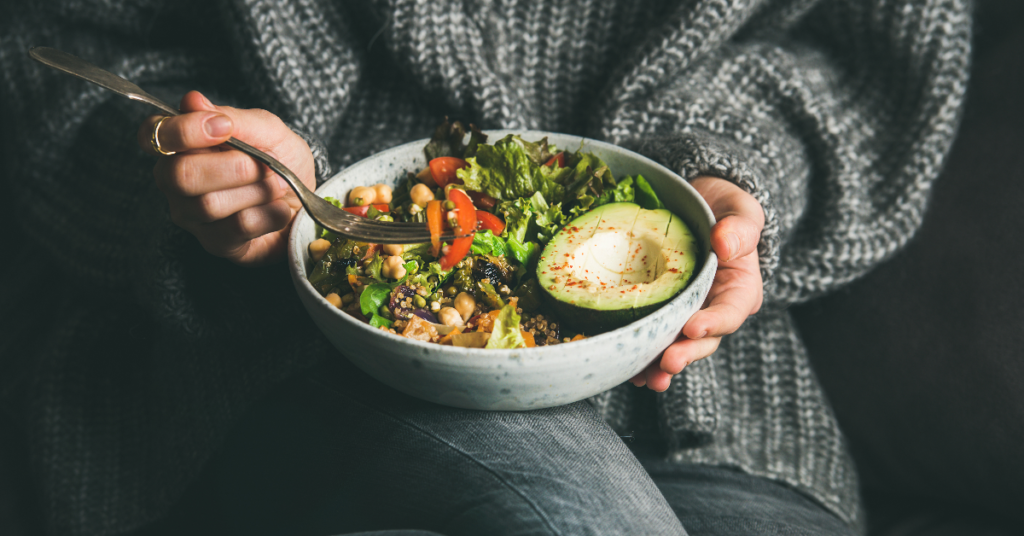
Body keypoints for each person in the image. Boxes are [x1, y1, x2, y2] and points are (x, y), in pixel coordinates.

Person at [0, 0, 970, 535]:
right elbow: (59, 50)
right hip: (273, 359)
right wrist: (194, 173)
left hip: (723, 399)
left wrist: (734, 179)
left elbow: (860, 52)